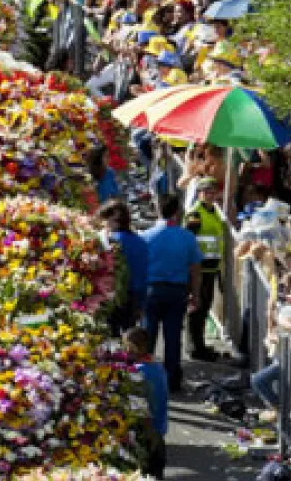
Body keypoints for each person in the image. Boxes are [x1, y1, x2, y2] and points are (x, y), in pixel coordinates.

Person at [141, 194, 204, 392]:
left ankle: (145, 378)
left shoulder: (146, 236)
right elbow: (195, 269)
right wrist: (196, 294)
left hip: (152, 289)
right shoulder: (187, 237)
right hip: (177, 291)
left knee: (148, 336)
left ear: (157, 210)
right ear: (177, 212)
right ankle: (172, 380)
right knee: (173, 336)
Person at [185, 176, 228, 361]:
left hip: (211, 268)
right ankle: (195, 347)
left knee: (204, 308)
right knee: (197, 308)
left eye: (213, 192)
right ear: (199, 194)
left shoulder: (214, 212)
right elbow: (189, 240)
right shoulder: (195, 214)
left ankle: (199, 344)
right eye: (206, 192)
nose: (210, 195)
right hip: (199, 269)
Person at [124, 327, 170, 478]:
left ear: (133, 347)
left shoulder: (138, 373)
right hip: (159, 429)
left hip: (145, 433)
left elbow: (140, 407)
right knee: (157, 470)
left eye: (126, 346)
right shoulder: (157, 366)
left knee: (145, 472)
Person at [100, 200, 150, 335]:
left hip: (109, 298)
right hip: (133, 298)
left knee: (110, 337)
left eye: (105, 220)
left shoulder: (106, 242)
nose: (104, 225)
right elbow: (143, 276)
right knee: (128, 336)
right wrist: (141, 305)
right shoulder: (140, 242)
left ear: (114, 220)